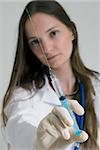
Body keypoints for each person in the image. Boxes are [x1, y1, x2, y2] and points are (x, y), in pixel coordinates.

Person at [1, 0, 100, 150]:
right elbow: (20, 128)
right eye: (35, 41)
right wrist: (37, 143)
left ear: (72, 31)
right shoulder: (23, 97)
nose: (46, 49)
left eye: (53, 33)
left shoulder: (97, 84)